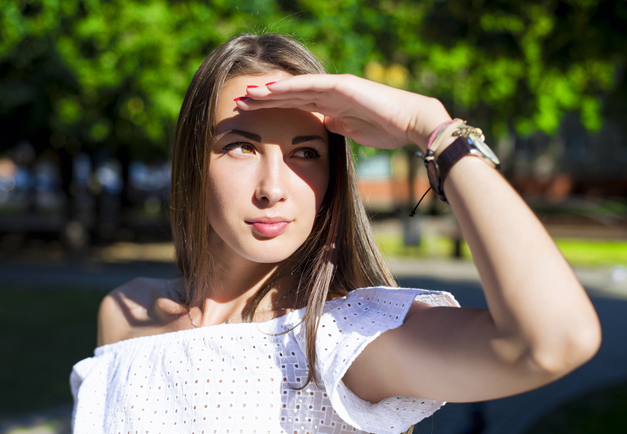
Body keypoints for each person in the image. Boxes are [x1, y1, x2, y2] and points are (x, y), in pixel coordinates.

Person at [70, 33, 601, 434]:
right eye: (240, 147)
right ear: (192, 162)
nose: (273, 188)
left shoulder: (342, 337)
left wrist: (433, 129)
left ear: (331, 176)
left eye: (306, 153)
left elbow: (555, 341)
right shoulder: (125, 313)